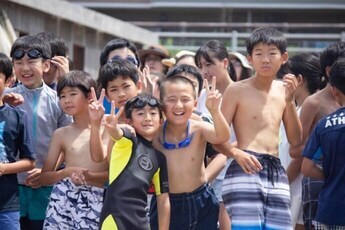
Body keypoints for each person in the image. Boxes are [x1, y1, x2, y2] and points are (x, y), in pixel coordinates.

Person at [222, 26, 302, 230]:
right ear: (250, 58)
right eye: (259, 53)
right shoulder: (236, 90)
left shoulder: (284, 90)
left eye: (272, 53)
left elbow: (295, 139)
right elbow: (217, 137)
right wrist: (235, 153)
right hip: (245, 166)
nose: (265, 59)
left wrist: (291, 101)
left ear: (283, 57)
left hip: (276, 168)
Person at [4, 34, 72, 230]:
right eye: (19, 62)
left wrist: (46, 171)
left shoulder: (58, 101)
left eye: (31, 61)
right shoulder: (6, 97)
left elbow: (67, 143)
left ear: (46, 65)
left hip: (45, 185)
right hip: (11, 185)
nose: (25, 68)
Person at [150, 75, 230, 230]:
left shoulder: (198, 128)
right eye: (171, 99)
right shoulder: (155, 134)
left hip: (201, 200)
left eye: (185, 99)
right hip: (166, 201)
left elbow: (222, 136)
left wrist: (215, 111)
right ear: (161, 105)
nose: (178, 105)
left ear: (194, 104)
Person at [89, 92, 170, 230]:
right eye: (140, 114)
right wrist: (112, 127)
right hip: (114, 220)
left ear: (161, 120)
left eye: (153, 113)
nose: (147, 118)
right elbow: (118, 133)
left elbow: (163, 199)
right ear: (129, 122)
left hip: (140, 223)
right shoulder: (129, 141)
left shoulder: (159, 158)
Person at [39, 71, 108, 229]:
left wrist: (88, 177)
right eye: (62, 96)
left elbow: (115, 175)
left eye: (72, 94)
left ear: (90, 96)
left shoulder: (109, 129)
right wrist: (67, 172)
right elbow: (44, 178)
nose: (66, 100)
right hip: (63, 200)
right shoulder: (61, 134)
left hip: (98, 200)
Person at [289, 41, 345, 230]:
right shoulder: (314, 103)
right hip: (319, 177)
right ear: (329, 71)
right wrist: (325, 144)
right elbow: (296, 149)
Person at [278, 52, 323, 230]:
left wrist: (283, 181)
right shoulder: (296, 108)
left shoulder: (309, 109)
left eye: (286, 75)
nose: (282, 81)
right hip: (289, 181)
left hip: (296, 184)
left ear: (299, 79)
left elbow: (300, 154)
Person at [195, 39, 235, 230]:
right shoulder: (203, 95)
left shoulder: (240, 91)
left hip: (235, 171)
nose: (205, 70)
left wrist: (226, 150)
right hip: (209, 173)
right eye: (201, 66)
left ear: (225, 63)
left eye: (209, 63)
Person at [0, 52, 35, 230]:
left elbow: (30, 161)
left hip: (7, 204)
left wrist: (5, 168)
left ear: (9, 81)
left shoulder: (18, 116)